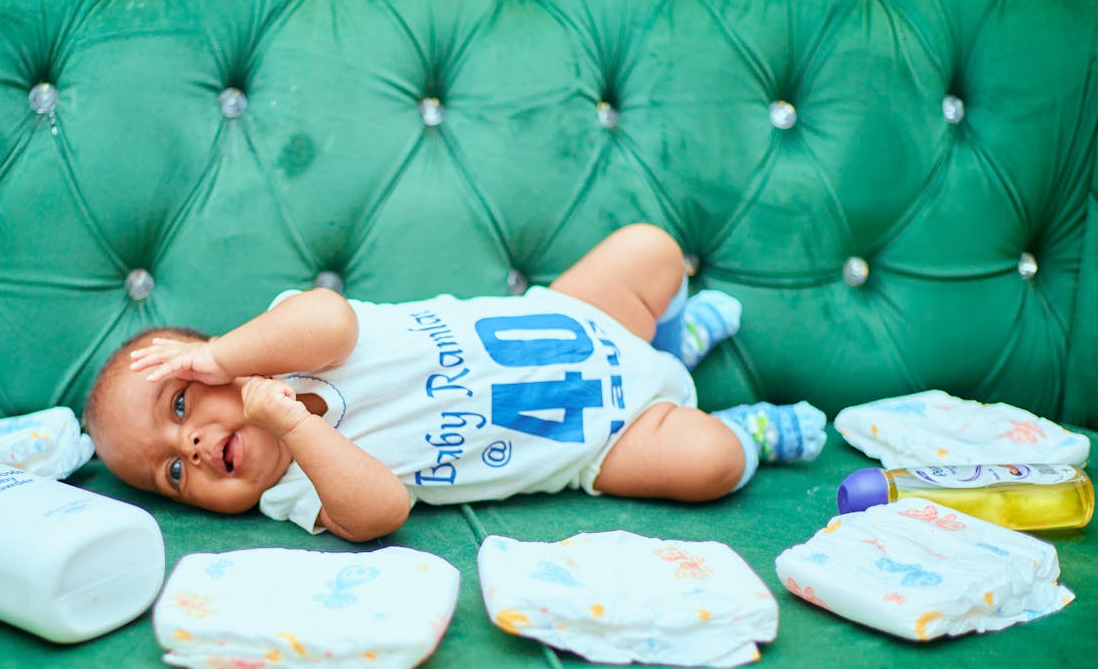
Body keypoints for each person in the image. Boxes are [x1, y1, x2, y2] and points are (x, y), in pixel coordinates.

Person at [85, 224, 826, 541]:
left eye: (179, 401)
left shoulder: (284, 341)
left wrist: (227, 354)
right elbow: (380, 512)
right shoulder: (294, 491)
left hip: (576, 319)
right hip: (598, 439)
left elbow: (335, 320)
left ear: (208, 355)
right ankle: (750, 424)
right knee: (714, 463)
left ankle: (671, 344)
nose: (187, 442)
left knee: (653, 249)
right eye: (172, 471)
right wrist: (296, 429)